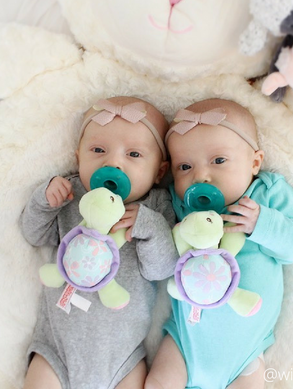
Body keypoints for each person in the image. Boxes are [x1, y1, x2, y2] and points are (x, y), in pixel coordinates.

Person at [145, 98, 293, 389]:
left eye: (219, 160)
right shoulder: (183, 204)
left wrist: (262, 223)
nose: (201, 176)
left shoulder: (266, 194)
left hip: (244, 356)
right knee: (158, 383)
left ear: (255, 162)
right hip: (185, 342)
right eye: (184, 166)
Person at [20, 96, 178, 389]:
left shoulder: (156, 207)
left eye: (133, 154)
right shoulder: (73, 194)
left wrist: (150, 226)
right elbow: (34, 235)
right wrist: (45, 201)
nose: (113, 162)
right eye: (98, 150)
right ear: (79, 157)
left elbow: (163, 268)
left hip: (123, 359)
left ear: (159, 171)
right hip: (56, 350)